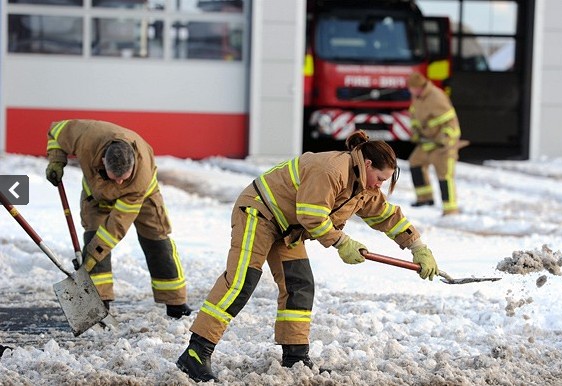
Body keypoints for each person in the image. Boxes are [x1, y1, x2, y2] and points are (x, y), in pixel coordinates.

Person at [176, 130, 439, 382]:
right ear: (368, 164)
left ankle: (295, 356)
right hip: (259, 213)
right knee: (242, 281)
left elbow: (386, 215)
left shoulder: (363, 185)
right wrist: (342, 242)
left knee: (299, 284)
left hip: (288, 228)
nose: (379, 185)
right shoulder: (330, 170)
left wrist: (417, 246)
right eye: (380, 178)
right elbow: (311, 215)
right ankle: (196, 353)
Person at [45, 119, 192, 319]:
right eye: (115, 178)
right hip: (96, 196)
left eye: (125, 178)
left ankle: (176, 303)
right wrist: (56, 159)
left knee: (157, 242)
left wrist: (91, 257)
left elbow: (116, 226)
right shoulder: (86, 136)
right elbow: (56, 131)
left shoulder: (140, 177)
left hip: (142, 197)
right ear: (104, 161)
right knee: (94, 237)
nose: (120, 182)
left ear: (133, 164)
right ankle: (99, 306)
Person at [407, 72, 462, 216]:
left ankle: (450, 210)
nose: (410, 91)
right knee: (415, 162)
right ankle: (425, 198)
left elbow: (450, 121)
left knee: (444, 174)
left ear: (419, 87)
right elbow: (414, 115)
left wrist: (446, 138)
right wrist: (416, 131)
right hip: (427, 142)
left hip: (443, 144)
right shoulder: (417, 97)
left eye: (412, 88)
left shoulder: (437, 97)